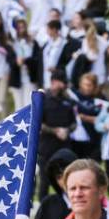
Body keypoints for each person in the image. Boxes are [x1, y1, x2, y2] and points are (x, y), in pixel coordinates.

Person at [28, 147, 79, 219]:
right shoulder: (48, 204)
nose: (64, 181)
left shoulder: (88, 202)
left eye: (67, 174)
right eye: (59, 176)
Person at [36, 68, 78, 198]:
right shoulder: (43, 100)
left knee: (67, 177)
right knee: (45, 180)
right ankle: (42, 205)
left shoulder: (69, 101)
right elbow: (38, 123)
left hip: (64, 146)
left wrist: (67, 130)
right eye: (61, 82)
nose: (64, 86)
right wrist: (55, 131)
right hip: (46, 146)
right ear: (54, 82)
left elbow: (74, 123)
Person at [7, 16, 39, 111]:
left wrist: (26, 61)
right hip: (17, 77)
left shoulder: (32, 42)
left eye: (23, 27)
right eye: (19, 27)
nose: (21, 30)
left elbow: (37, 59)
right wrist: (16, 62)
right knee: (18, 105)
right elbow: (9, 59)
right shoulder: (12, 43)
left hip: (30, 76)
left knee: (29, 103)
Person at [40, 20, 79, 89]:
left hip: (58, 77)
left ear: (54, 29)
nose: (46, 31)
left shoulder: (65, 44)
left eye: (48, 29)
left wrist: (57, 68)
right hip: (45, 76)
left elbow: (67, 61)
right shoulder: (47, 44)